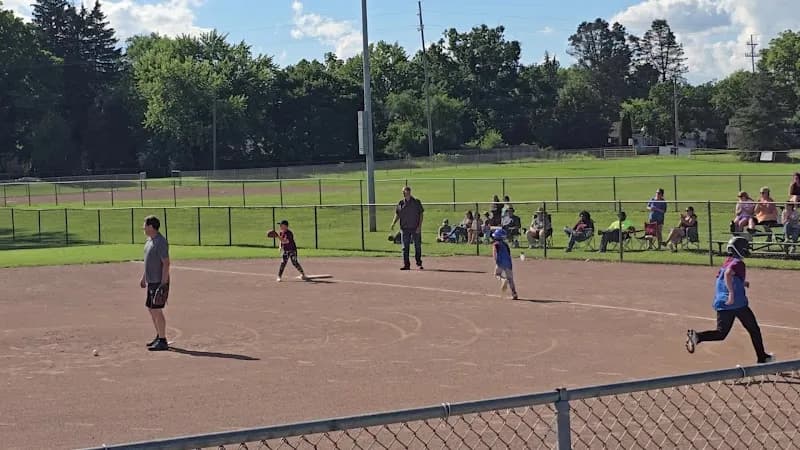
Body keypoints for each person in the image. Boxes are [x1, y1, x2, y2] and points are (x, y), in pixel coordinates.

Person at [685, 236, 774, 365]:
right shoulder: (738, 263)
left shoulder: (727, 261)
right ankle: (762, 358)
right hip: (737, 303)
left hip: (722, 303)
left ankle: (697, 337)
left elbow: (723, 277)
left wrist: (742, 283)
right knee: (754, 329)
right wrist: (732, 293)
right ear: (740, 249)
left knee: (721, 333)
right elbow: (728, 274)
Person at [140, 215, 171, 352]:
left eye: (145, 225)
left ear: (151, 227)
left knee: (157, 310)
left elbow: (166, 263)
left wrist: (163, 283)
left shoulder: (160, 242)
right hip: (151, 280)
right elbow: (148, 261)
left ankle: (163, 341)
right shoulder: (149, 241)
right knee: (151, 309)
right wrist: (143, 277)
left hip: (158, 281)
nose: (143, 228)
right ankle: (159, 336)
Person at [390, 186, 424, 270]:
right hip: (404, 228)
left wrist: (419, 227)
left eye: (407, 192)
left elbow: (421, 214)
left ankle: (418, 263)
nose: (405, 193)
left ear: (409, 192)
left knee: (417, 246)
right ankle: (406, 265)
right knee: (405, 247)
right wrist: (393, 223)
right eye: (404, 192)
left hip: (415, 228)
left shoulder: (416, 202)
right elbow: (398, 214)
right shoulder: (401, 203)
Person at [491, 229, 518, 300]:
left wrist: (496, 262)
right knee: (510, 279)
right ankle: (514, 293)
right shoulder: (506, 244)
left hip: (500, 262)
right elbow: (509, 254)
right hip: (508, 263)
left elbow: (494, 254)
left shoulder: (495, 244)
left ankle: (503, 280)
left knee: (497, 274)